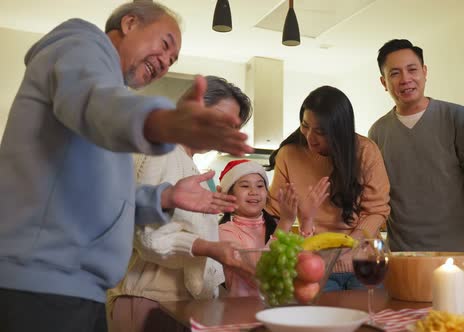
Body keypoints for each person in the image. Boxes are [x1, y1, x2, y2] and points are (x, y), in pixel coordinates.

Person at [0, 2, 252, 331]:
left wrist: (164, 198)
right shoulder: (79, 46)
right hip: (42, 285)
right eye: (164, 45)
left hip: (81, 289)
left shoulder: (111, 111)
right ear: (130, 23)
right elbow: (96, 100)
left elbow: (107, 201)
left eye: (173, 61)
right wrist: (162, 122)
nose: (164, 63)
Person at [107, 76, 253, 332]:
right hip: (147, 299)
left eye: (232, 126)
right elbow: (149, 236)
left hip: (179, 302)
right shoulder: (160, 150)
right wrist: (210, 248)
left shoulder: (192, 165)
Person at [369, 39, 464, 252]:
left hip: (455, 256)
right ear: (383, 82)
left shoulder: (457, 118)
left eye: (412, 69)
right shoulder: (378, 132)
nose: (406, 79)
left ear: (425, 71)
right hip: (401, 258)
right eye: (395, 73)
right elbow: (375, 198)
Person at [266, 85, 390, 291]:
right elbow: (275, 213)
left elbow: (378, 210)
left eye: (321, 132)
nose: (310, 138)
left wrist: (350, 244)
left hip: (363, 260)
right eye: (305, 126)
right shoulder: (288, 155)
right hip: (316, 265)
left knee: (369, 319)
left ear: (340, 131)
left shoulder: (365, 151)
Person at [217, 159, 299, 297]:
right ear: (229, 195)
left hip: (279, 308)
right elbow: (257, 273)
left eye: (260, 186)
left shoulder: (276, 225)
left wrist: (308, 218)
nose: (254, 191)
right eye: (245, 186)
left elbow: (298, 266)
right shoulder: (224, 231)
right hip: (242, 311)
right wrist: (285, 223)